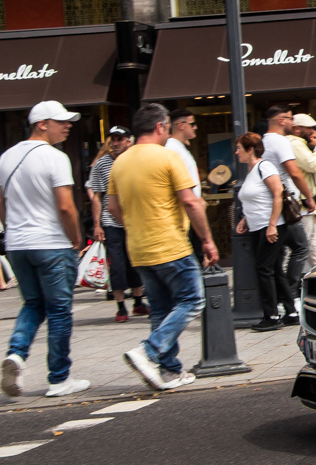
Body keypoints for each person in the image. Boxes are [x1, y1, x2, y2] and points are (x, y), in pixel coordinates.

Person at [109, 103, 219, 392]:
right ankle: (148, 351)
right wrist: (207, 240)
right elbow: (191, 201)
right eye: (168, 128)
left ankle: (170, 370)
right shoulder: (168, 157)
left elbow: (112, 207)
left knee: (160, 309)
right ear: (160, 127)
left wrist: (133, 225)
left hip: (139, 247)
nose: (167, 133)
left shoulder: (119, 162)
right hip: (171, 244)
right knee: (193, 300)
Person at [0, 101, 89, 398]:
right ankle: (59, 378)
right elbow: (65, 207)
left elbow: (1, 204)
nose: (68, 126)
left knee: (33, 304)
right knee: (60, 312)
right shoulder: (55, 157)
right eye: (60, 121)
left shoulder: (5, 158)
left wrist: (13, 228)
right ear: (41, 124)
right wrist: (76, 239)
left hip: (18, 245)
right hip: (51, 243)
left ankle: (16, 354)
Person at [87, 127, 148, 323]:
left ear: (129, 141)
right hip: (111, 222)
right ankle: (121, 306)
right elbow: (97, 196)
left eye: (119, 139)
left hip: (135, 220)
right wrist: (97, 225)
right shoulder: (101, 164)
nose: (115, 143)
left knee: (136, 262)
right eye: (112, 139)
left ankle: (138, 302)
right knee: (118, 265)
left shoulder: (137, 160)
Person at [262, 105, 313, 324]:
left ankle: (286, 303)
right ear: (281, 120)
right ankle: (291, 297)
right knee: (301, 247)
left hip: (271, 206)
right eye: (291, 119)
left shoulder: (263, 141)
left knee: (278, 257)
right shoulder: (280, 141)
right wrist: (309, 197)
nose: (293, 123)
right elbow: (294, 171)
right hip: (285, 206)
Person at [232, 133, 287, 332]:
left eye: (239, 148)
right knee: (274, 269)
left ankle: (272, 315)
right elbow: (256, 198)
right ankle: (290, 311)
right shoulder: (252, 171)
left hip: (269, 226)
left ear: (250, 149)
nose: (236, 152)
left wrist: (272, 225)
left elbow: (277, 193)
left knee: (263, 269)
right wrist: (246, 219)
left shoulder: (265, 167)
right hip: (257, 227)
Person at [288, 112, 316, 268]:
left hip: (307, 204)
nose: (313, 131)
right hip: (304, 204)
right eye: (309, 128)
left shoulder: (299, 143)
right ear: (297, 128)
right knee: (307, 247)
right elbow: (313, 166)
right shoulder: (295, 144)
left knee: (313, 246)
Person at [166, 108, 204, 261]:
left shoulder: (179, 148)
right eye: (192, 124)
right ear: (181, 125)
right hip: (185, 212)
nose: (195, 127)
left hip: (189, 209)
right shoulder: (172, 149)